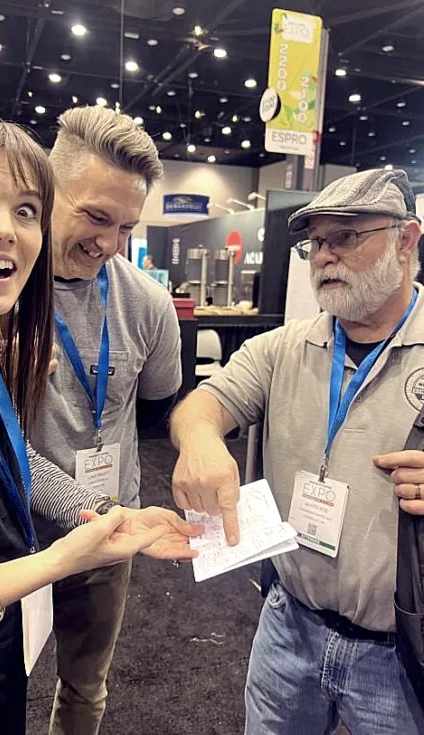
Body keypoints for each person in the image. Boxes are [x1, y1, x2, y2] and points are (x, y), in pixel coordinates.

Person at [0, 116, 200, 735]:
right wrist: (51, 563)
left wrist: (108, 514)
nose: (4, 229)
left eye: (24, 211)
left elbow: (8, 457)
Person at [170, 168, 424, 733]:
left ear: (407, 240)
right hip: (288, 625)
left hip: (399, 651)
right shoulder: (282, 349)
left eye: (347, 238)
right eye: (316, 244)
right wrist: (201, 439)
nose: (324, 258)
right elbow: (203, 404)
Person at [32, 105, 183, 735]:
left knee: (85, 685)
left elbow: (158, 405)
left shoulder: (145, 301)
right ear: (43, 189)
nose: (110, 243)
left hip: (107, 524)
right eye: (95, 216)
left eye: (126, 225)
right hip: (3, 533)